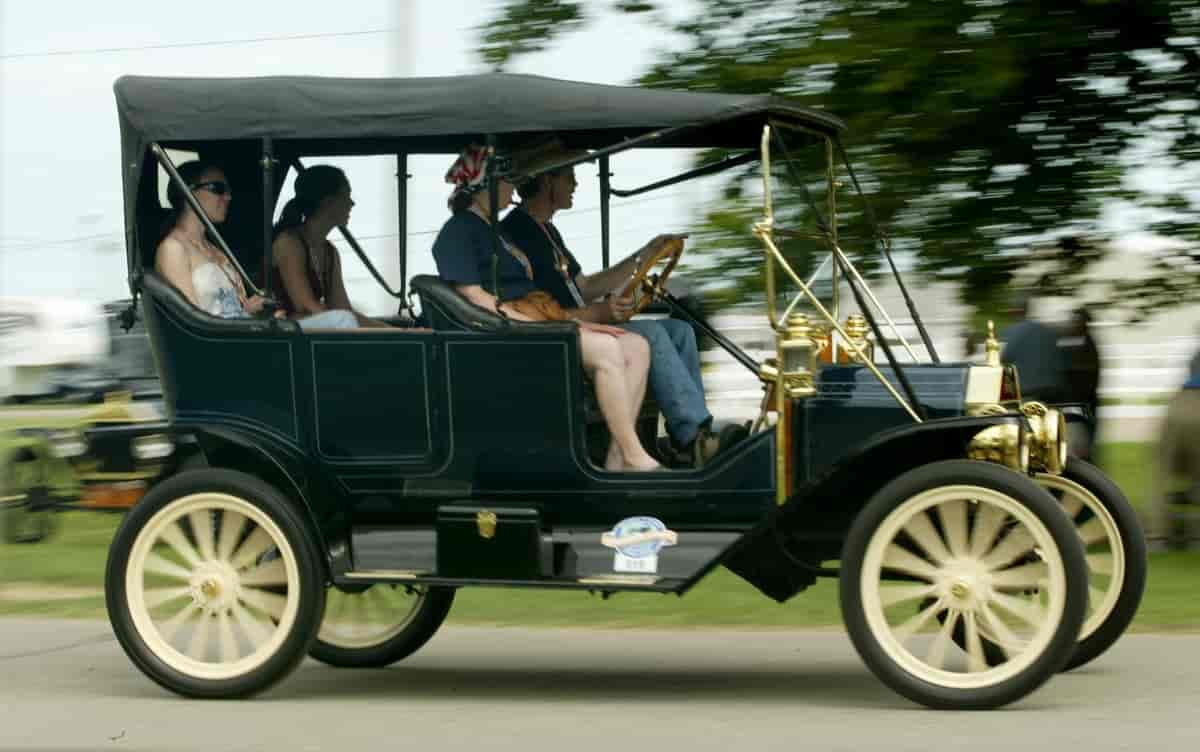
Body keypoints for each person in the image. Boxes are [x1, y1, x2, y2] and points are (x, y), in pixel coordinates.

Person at [430, 144, 659, 472]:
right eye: (508, 178)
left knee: (636, 346)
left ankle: (618, 458)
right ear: (487, 185)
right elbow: (474, 298)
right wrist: (534, 325)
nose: (515, 185)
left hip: (531, 321)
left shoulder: (491, 230)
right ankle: (635, 455)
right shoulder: (459, 231)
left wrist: (563, 321)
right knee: (608, 349)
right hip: (504, 335)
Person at [502, 141, 719, 467]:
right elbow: (533, 308)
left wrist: (644, 255)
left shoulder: (547, 232)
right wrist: (601, 313)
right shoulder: (518, 231)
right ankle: (695, 437)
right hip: (560, 337)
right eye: (570, 177)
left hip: (583, 324)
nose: (575, 185)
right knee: (655, 335)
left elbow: (584, 286)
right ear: (548, 181)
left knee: (679, 330)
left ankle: (689, 438)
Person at [155, 160, 356, 330]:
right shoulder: (174, 248)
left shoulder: (215, 250)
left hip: (242, 334)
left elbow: (235, 310)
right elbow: (192, 321)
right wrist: (251, 323)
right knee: (342, 321)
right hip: (221, 344)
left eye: (228, 190)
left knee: (343, 321)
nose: (228, 197)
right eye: (218, 189)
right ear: (188, 192)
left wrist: (254, 312)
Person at [270, 165, 386, 327]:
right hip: (281, 331)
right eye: (347, 195)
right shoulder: (289, 242)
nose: (352, 203)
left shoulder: (330, 252)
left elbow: (343, 308)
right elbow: (305, 307)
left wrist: (396, 331)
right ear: (328, 202)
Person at [1148, 341, 1200, 549]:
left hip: (1179, 403)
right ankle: (1195, 537)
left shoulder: (1197, 351)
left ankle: (1158, 535)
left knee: (1160, 472)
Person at [1000, 290, 1065, 403]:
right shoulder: (1047, 331)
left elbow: (1003, 359)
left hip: (1026, 392)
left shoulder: (1010, 332)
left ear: (1015, 310)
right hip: (1051, 390)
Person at [1058, 306, 1101, 458]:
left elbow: (1087, 373)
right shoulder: (1081, 343)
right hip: (1083, 400)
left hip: (1085, 400)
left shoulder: (1086, 345)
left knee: (1085, 440)